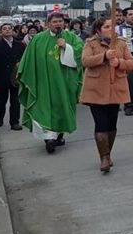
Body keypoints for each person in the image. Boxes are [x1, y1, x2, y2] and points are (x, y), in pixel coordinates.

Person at [17, 11, 84, 154]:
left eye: (60, 21)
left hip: (64, 81)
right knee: (43, 108)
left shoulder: (71, 37)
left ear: (64, 23)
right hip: (43, 82)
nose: (58, 24)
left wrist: (67, 47)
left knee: (63, 107)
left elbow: (80, 53)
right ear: (48, 24)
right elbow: (28, 58)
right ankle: (48, 138)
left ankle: (59, 135)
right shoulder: (38, 39)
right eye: (54, 22)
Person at [79, 17, 133, 172]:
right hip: (95, 90)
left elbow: (132, 63)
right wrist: (103, 57)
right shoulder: (91, 43)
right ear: (98, 29)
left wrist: (119, 63)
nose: (110, 29)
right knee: (101, 123)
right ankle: (104, 157)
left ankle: (108, 153)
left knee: (112, 124)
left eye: (112, 26)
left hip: (115, 88)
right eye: (106, 26)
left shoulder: (121, 43)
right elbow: (85, 61)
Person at [0, 22, 25, 130]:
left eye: (9, 28)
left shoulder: (20, 45)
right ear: (1, 32)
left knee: (15, 100)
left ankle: (15, 122)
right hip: (1, 75)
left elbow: (24, 58)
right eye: (4, 29)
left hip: (15, 76)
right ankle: (0, 118)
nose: (7, 30)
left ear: (13, 31)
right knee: (1, 99)